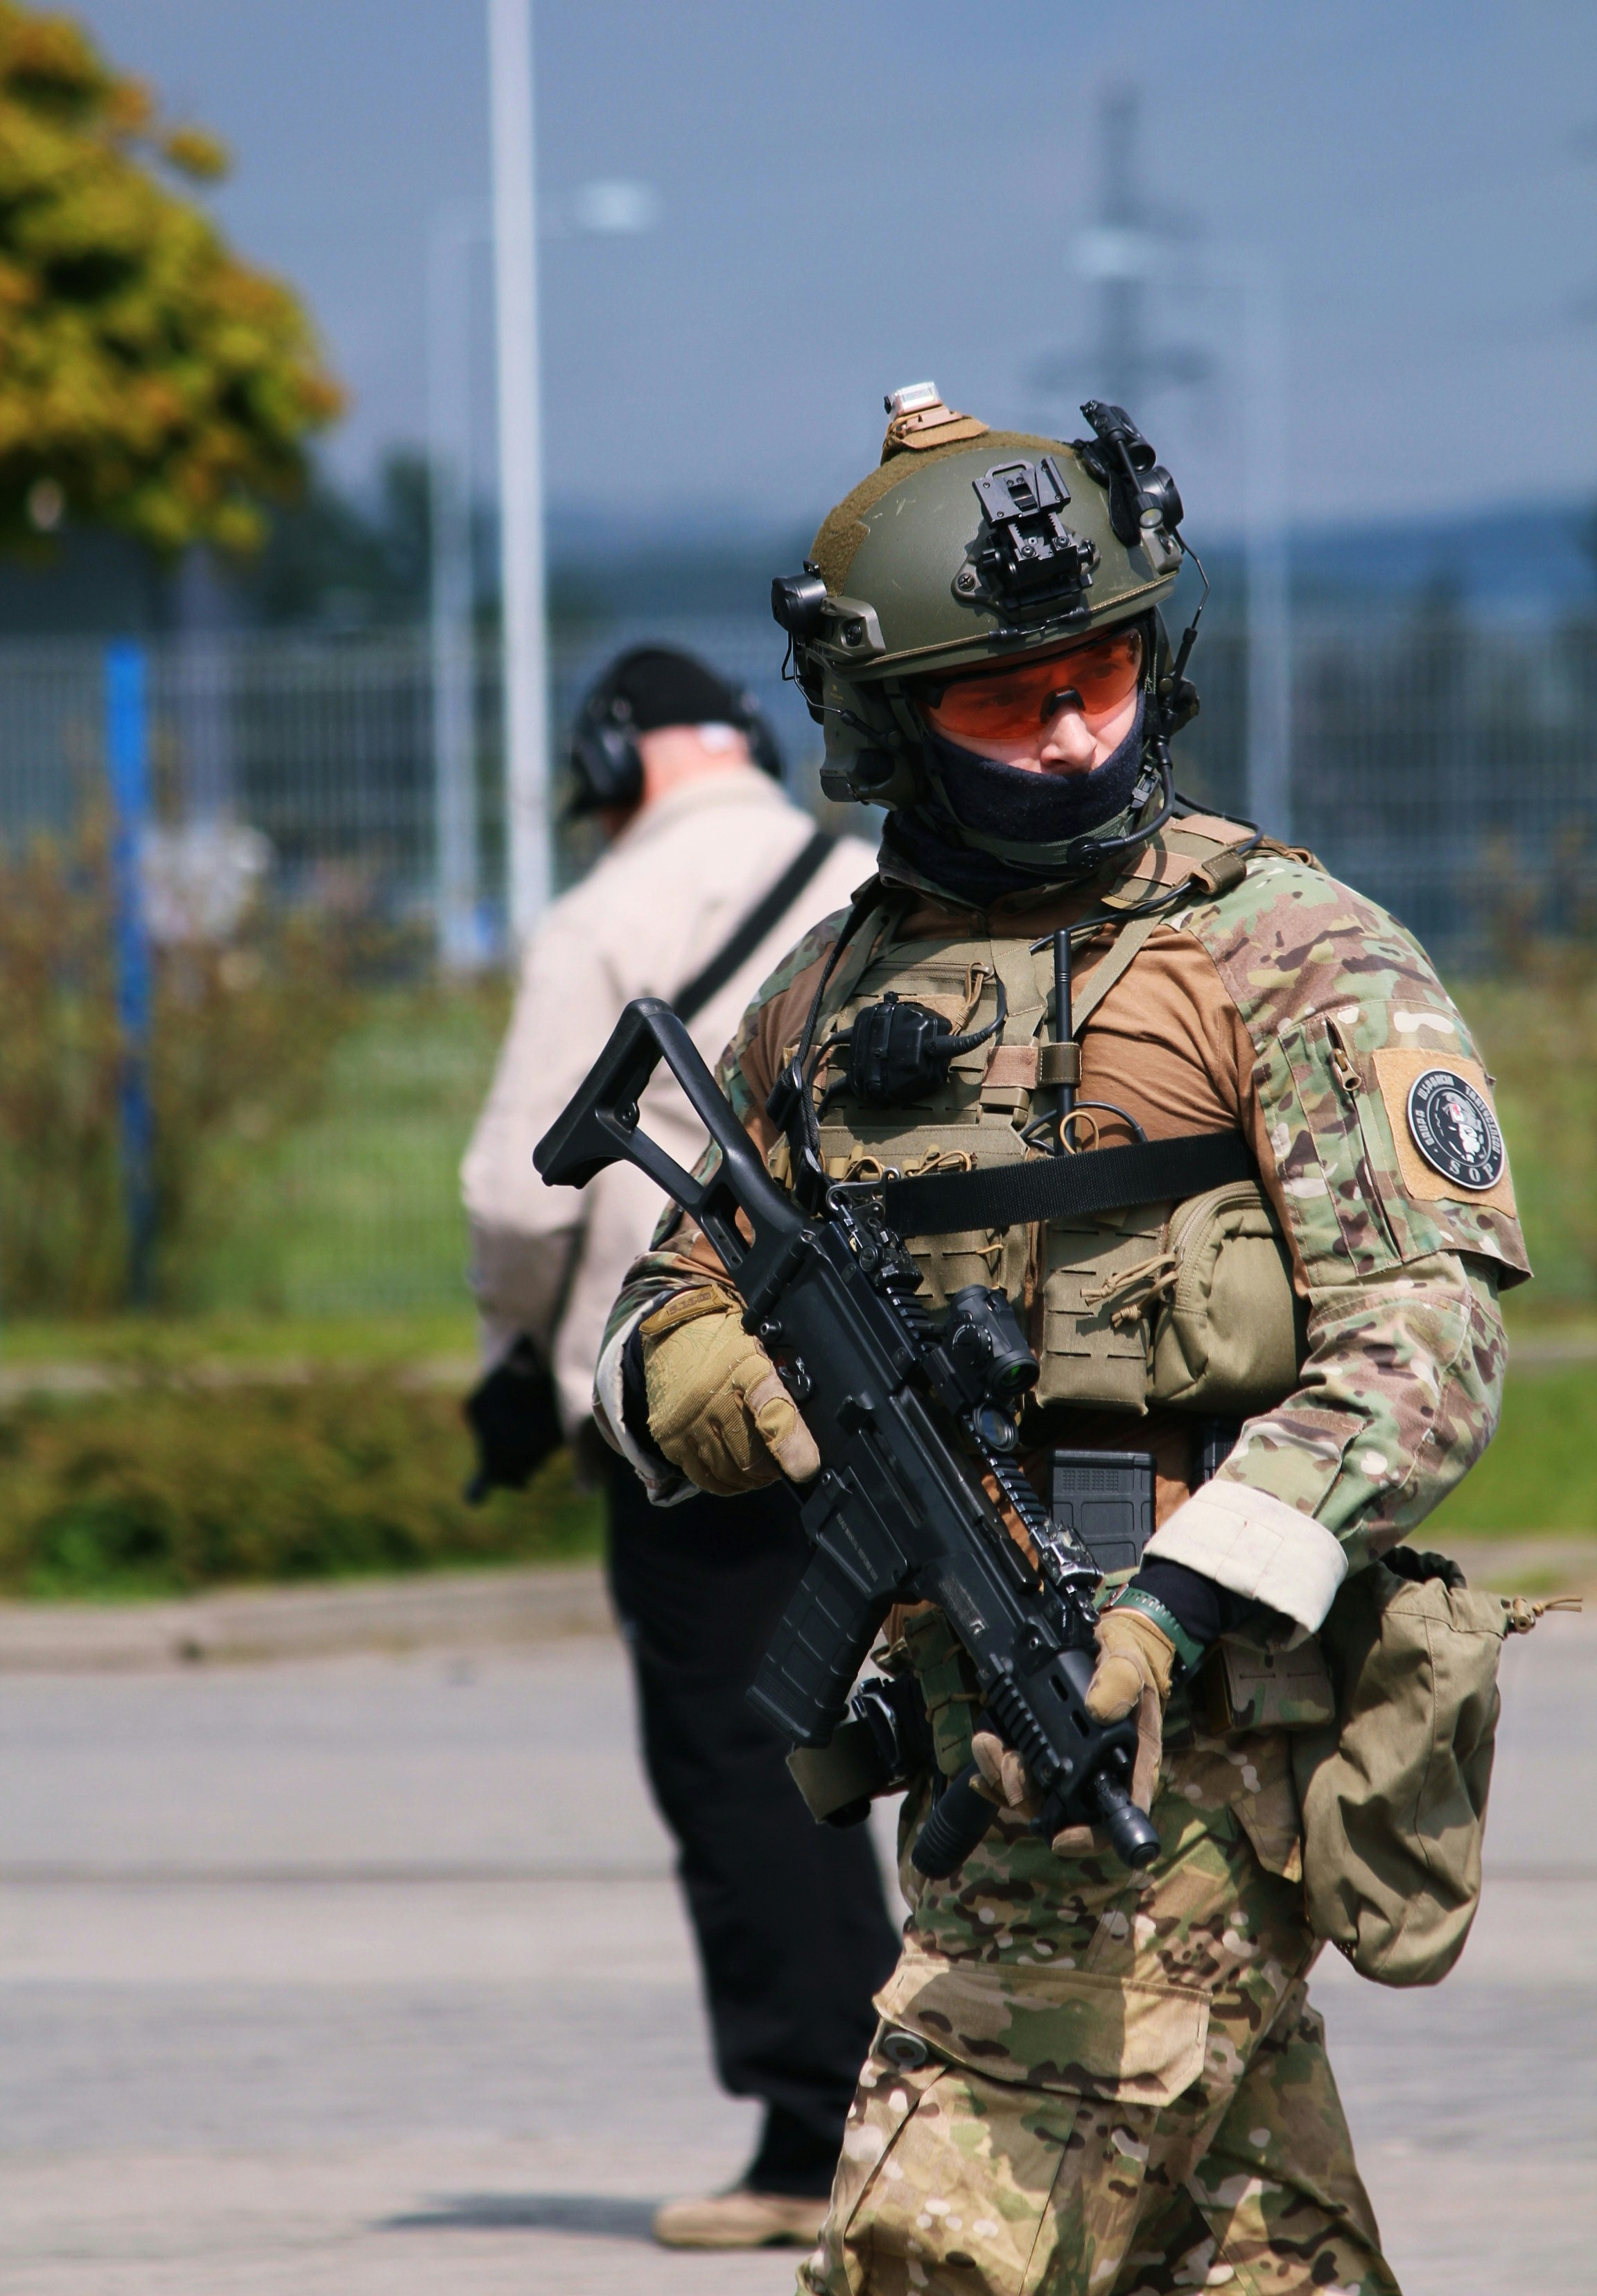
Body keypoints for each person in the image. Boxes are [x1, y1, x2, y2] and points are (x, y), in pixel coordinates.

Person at [593, 390, 1528, 2294]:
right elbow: (664, 1292)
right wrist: (690, 1381)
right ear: (887, 723)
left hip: (1200, 1720)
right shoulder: (828, 995)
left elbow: (1424, 1338)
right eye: (1009, 703)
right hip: (969, 1723)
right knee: (1251, 2251)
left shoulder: (1285, 952)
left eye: (1099, 675)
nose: (1075, 732)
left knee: (941, 2251)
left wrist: (1173, 1601)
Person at [460, 645, 897, 2251]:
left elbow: (520, 1194)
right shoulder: (869, 877)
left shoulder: (600, 923)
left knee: (748, 1757)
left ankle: (814, 2138)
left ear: (615, 765)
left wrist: (516, 1355)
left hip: (703, 1407)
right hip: (902, 1389)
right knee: (957, 1733)